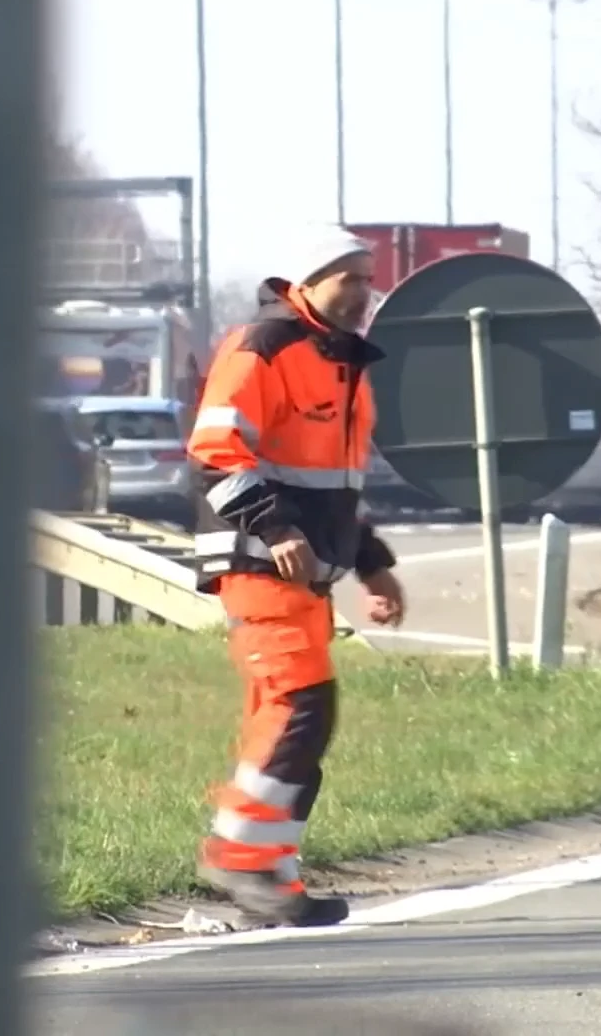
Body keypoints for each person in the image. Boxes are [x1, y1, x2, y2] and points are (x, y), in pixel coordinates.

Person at [184, 227, 407, 927]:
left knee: (289, 721)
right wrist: (275, 528)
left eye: (368, 278)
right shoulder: (264, 347)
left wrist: (371, 563)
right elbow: (216, 451)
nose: (363, 291)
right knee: (299, 708)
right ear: (305, 283)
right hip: (259, 560)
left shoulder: (341, 363)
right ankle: (239, 856)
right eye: (349, 276)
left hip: (306, 571)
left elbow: (332, 487)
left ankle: (270, 878)